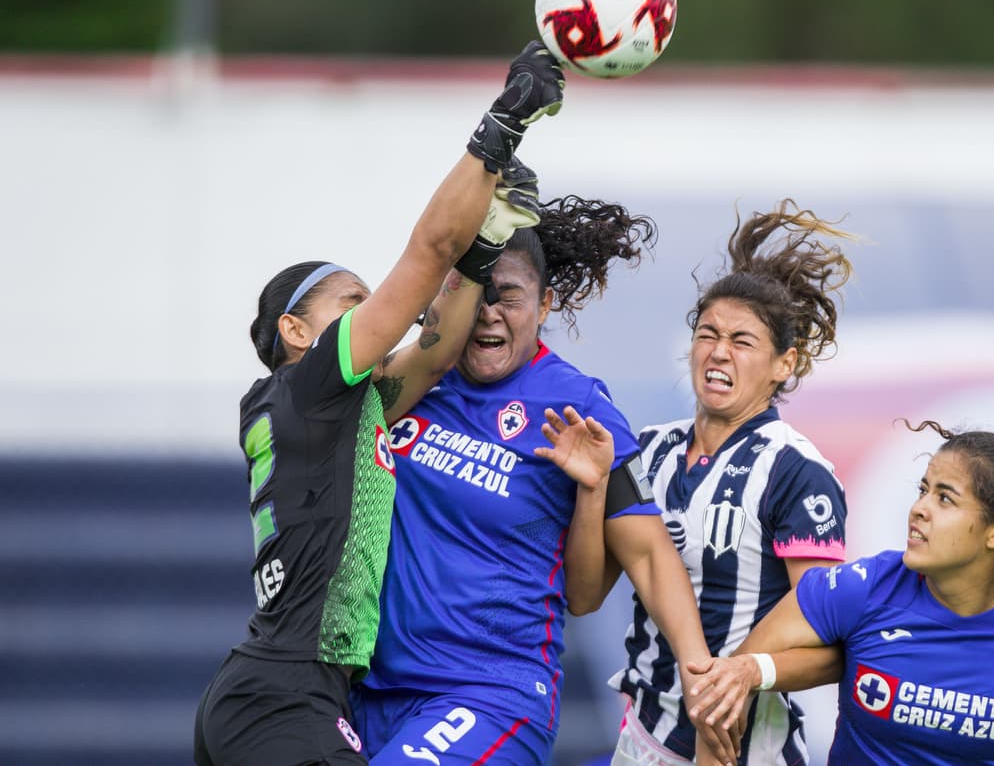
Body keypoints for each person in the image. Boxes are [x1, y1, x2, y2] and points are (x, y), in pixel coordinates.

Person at [193, 41, 565, 766]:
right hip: (283, 695)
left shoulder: (326, 406)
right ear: (296, 330)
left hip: (276, 691)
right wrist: (505, 120)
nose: (374, 312)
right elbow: (426, 254)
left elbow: (433, 353)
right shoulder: (313, 378)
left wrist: (485, 249)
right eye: (353, 301)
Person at [348, 196, 735, 764]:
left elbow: (645, 560)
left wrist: (700, 674)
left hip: (490, 695)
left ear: (546, 302)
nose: (487, 314)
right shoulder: (416, 385)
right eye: (475, 293)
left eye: (508, 296)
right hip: (372, 693)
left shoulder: (575, 405)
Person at [574, 201, 855, 766]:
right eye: (708, 333)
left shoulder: (797, 472)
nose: (719, 351)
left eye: (743, 340)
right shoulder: (648, 448)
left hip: (745, 751)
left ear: (785, 364)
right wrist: (592, 489)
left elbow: (833, 646)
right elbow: (584, 597)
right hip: (643, 738)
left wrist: (743, 676)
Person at [685, 420, 994, 766]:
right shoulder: (861, 589)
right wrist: (749, 672)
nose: (919, 508)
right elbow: (731, 685)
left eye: (945, 499)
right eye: (923, 490)